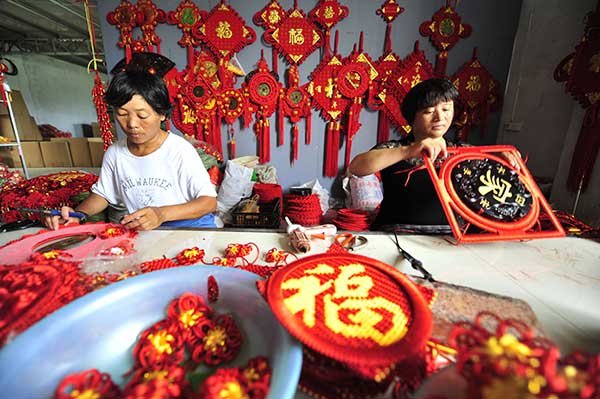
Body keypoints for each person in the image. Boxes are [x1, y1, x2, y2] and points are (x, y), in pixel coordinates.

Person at [46, 69, 217, 231]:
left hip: (192, 228)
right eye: (122, 114)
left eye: (142, 115)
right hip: (146, 232)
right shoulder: (115, 153)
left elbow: (209, 202)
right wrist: (78, 215)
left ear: (162, 114)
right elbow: (103, 195)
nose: (132, 124)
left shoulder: (179, 150)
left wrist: (161, 214)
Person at [349, 78, 518, 231]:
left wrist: (498, 160)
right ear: (412, 117)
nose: (440, 118)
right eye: (429, 111)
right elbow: (356, 167)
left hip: (450, 237)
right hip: (397, 235)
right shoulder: (395, 148)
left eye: (446, 109)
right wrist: (408, 151)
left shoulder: (463, 152)